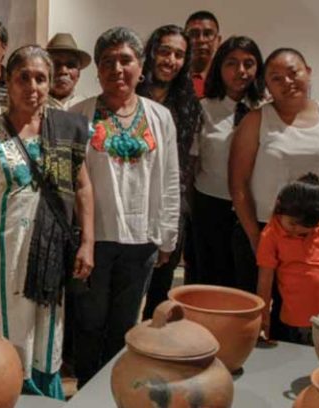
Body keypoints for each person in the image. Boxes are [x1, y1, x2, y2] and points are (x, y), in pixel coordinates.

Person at [0, 45, 94, 399]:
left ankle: (39, 394)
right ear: (8, 82)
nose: (32, 86)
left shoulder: (65, 130)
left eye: (40, 78)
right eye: (23, 78)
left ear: (49, 82)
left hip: (46, 255)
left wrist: (88, 243)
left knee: (41, 323)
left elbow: (83, 186)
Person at [70, 27, 180, 386]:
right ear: (97, 70)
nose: (117, 68)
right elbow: (69, 184)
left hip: (142, 238)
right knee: (89, 321)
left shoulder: (160, 116)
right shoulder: (78, 115)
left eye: (125, 60)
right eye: (107, 61)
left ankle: (112, 389)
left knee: (124, 323)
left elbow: (170, 178)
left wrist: (167, 236)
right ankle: (86, 388)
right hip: (94, 240)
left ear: (141, 66)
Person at [229, 47, 319, 340]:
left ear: (307, 72)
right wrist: (254, 236)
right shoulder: (257, 120)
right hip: (266, 230)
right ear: (266, 86)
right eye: (276, 78)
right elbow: (238, 184)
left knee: (315, 316)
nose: (286, 81)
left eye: (293, 72)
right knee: (260, 319)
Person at [136, 24, 202, 319]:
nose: (170, 60)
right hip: (129, 200)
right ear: (151, 52)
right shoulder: (130, 92)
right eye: (165, 51)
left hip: (169, 203)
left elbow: (185, 164)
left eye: (178, 55)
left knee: (159, 288)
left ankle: (151, 340)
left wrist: (176, 213)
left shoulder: (188, 104)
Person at [191, 36, 265, 288]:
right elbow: (192, 164)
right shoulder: (203, 109)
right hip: (211, 205)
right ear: (219, 67)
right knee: (211, 279)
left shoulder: (266, 110)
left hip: (255, 207)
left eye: (248, 63)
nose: (241, 71)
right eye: (232, 63)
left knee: (248, 280)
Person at [257, 174, 319, 345]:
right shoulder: (271, 235)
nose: (297, 230)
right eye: (293, 224)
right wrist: (264, 319)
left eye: (306, 228)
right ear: (279, 207)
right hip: (299, 315)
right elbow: (265, 279)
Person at [46, 33, 91, 111]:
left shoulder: (87, 107)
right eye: (56, 64)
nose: (63, 71)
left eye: (70, 65)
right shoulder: (33, 105)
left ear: (78, 73)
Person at [185, 10, 221, 97]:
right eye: (194, 34)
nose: (201, 40)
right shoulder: (171, 79)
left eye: (208, 34)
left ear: (218, 41)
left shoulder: (228, 82)